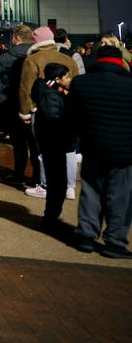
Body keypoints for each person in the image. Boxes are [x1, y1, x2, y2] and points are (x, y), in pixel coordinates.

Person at [68, 45, 132, 258]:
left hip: (93, 145)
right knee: (120, 197)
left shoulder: (82, 83)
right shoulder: (129, 84)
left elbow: (73, 115)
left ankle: (86, 235)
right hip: (124, 150)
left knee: (91, 191)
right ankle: (115, 241)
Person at [19, 26, 78, 213]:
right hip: (67, 109)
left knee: (44, 150)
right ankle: (70, 187)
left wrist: (25, 112)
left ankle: (45, 185)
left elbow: (26, 88)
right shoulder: (68, 59)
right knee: (68, 150)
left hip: (42, 110)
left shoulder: (32, 59)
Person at [0, 25, 36, 184]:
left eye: (13, 37)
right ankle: (37, 178)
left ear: (17, 38)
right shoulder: (36, 54)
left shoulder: (10, 55)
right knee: (34, 144)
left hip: (13, 102)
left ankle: (18, 175)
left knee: (18, 142)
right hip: (34, 103)